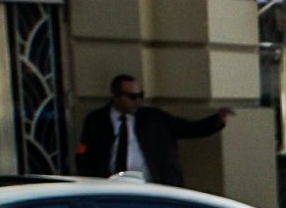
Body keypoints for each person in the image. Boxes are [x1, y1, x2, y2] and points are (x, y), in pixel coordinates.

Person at [75, 75, 234, 185]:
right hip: (111, 187)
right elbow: (83, 152)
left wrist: (216, 120)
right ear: (116, 96)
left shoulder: (154, 119)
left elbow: (187, 128)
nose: (137, 100)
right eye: (132, 96)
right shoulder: (96, 120)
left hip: (150, 185)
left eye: (140, 95)